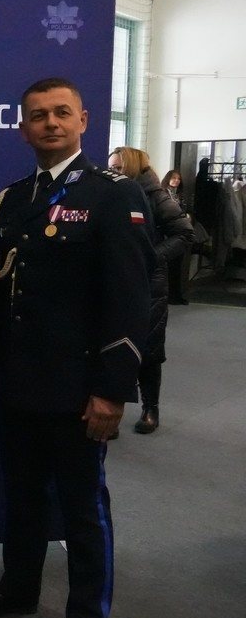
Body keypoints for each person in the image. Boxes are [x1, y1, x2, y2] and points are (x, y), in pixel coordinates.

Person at [0, 77, 153, 618]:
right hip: (21, 382)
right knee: (21, 500)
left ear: (83, 121)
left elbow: (131, 300)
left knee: (82, 510)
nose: (50, 123)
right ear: (23, 129)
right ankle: (18, 591)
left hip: (79, 388)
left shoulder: (113, 194)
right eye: (38, 115)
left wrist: (112, 390)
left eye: (61, 113)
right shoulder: (14, 198)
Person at [108, 148, 194, 435]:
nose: (112, 172)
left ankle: (150, 408)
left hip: (149, 282)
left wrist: (149, 257)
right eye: (110, 167)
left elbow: (184, 233)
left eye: (118, 167)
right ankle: (113, 411)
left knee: (149, 348)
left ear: (132, 167)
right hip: (116, 279)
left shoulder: (156, 195)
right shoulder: (112, 192)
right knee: (114, 347)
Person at [161, 169, 193, 304]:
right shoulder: (162, 194)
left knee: (178, 265)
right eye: (174, 178)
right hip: (167, 234)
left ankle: (176, 295)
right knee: (168, 266)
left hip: (180, 232)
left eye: (178, 179)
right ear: (168, 179)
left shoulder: (180, 196)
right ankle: (169, 295)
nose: (176, 181)